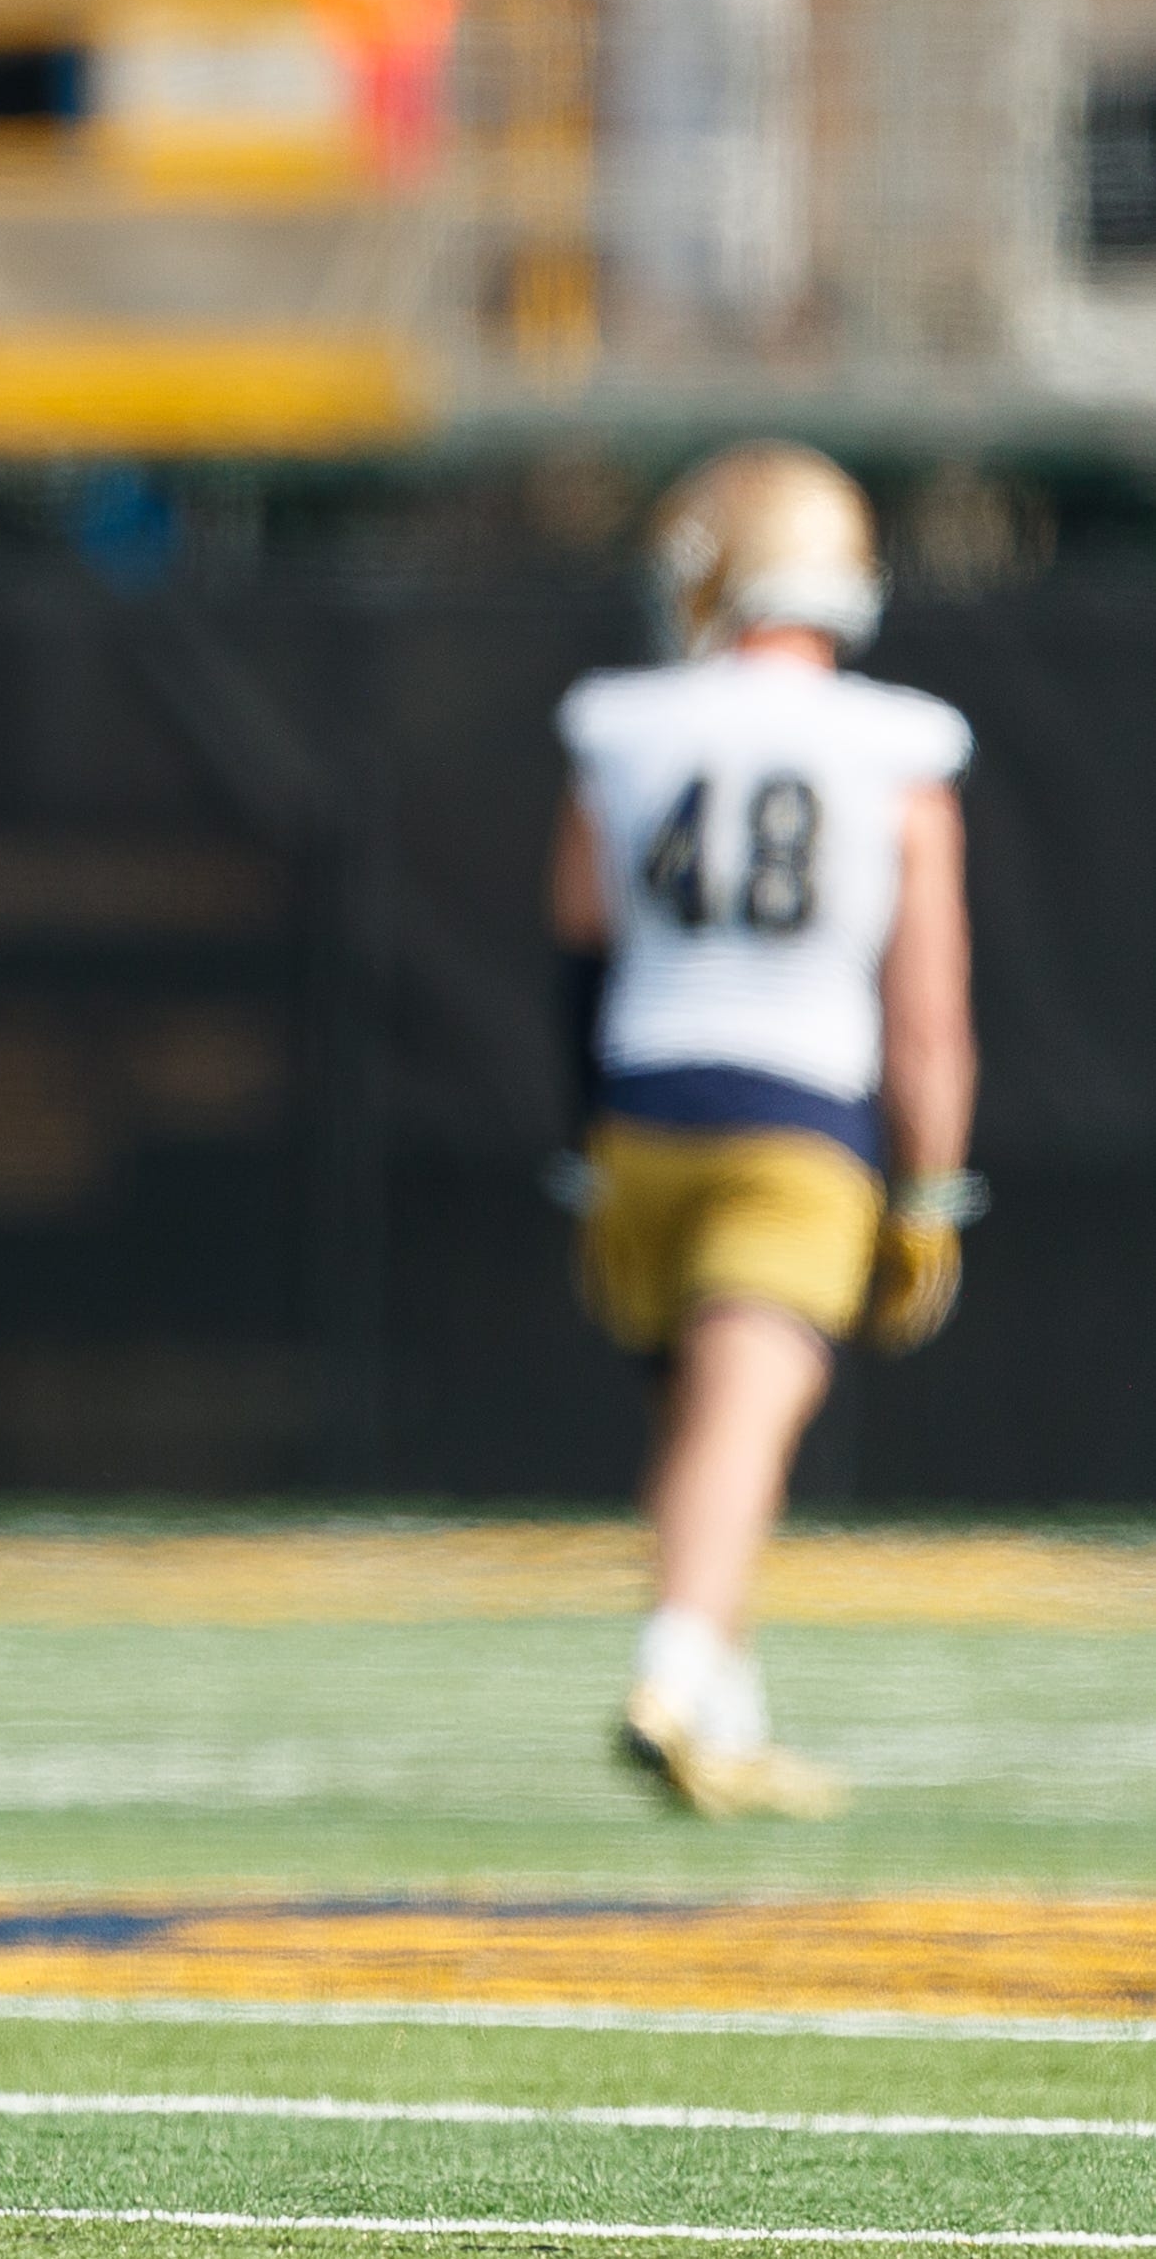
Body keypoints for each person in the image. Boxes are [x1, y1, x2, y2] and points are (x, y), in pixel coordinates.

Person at [552, 442, 977, 1819]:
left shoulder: (620, 722)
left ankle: (721, 1699)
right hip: (799, 1109)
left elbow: (576, 946)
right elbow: (926, 1011)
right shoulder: (900, 742)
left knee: (699, 1414)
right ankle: (676, 1662)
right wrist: (929, 1188)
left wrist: (582, 1147)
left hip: (643, 1102)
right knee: (746, 1409)